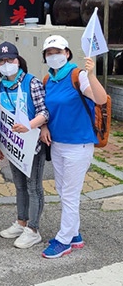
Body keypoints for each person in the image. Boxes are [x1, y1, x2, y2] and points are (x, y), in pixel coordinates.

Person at [40, 35, 107, 258]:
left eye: (57, 51)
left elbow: (99, 99)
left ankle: (64, 240)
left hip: (78, 146)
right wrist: (44, 127)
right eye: (49, 53)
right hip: (57, 144)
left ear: (67, 53)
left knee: (69, 194)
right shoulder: (48, 80)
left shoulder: (79, 75)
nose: (54, 56)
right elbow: (47, 111)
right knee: (62, 191)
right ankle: (74, 234)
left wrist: (93, 74)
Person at [0, 42, 49, 249]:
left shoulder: (31, 83)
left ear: (18, 60)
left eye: (10, 60)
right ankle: (21, 221)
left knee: (33, 187)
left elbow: (44, 112)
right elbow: (1, 118)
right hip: (14, 146)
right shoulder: (1, 86)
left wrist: (30, 125)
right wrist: (0, 145)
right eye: (2, 61)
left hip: (32, 145)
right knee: (19, 186)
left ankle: (33, 229)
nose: (7, 64)